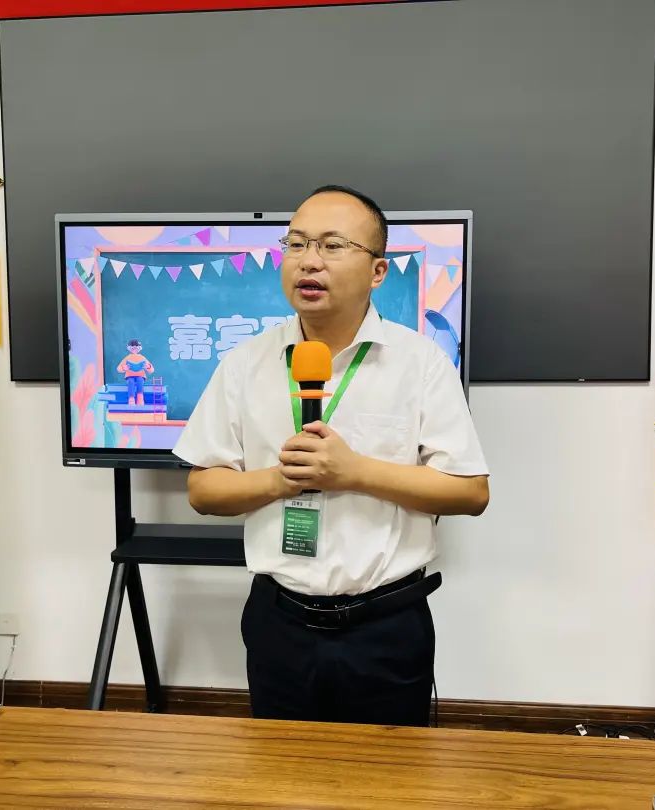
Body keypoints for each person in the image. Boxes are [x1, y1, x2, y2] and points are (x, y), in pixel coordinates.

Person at [173, 186, 489, 727]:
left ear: (378, 271)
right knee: (280, 767)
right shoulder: (246, 362)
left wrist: (354, 472)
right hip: (279, 621)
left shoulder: (420, 363)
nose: (309, 261)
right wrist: (282, 480)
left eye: (333, 245)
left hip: (386, 624)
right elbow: (204, 489)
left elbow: (469, 491)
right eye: (296, 244)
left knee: (389, 771)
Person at [116, 339, 154, 405]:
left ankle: (140, 398)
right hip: (129, 376)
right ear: (129, 348)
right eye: (132, 348)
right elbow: (119, 368)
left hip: (140, 375)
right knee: (130, 382)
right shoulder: (127, 358)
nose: (134, 349)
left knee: (140, 381)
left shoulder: (142, 358)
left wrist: (148, 367)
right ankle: (131, 399)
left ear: (139, 348)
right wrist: (124, 368)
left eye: (136, 348)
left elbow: (152, 370)